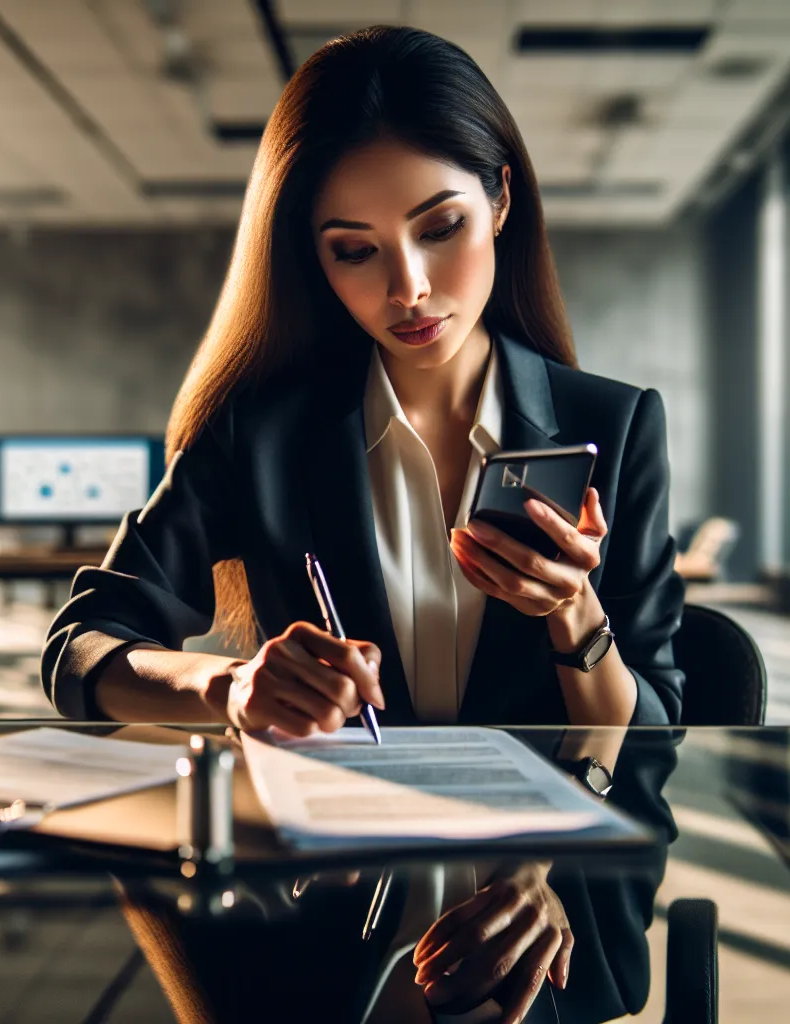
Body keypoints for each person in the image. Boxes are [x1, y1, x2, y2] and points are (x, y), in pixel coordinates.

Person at [42, 25, 685, 733]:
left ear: (501, 201)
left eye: (440, 228)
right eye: (354, 250)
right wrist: (229, 685)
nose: (408, 289)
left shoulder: (616, 426)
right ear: (314, 258)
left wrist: (574, 610)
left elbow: (657, 724)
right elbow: (80, 646)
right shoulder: (260, 433)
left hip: (547, 809)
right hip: (337, 803)